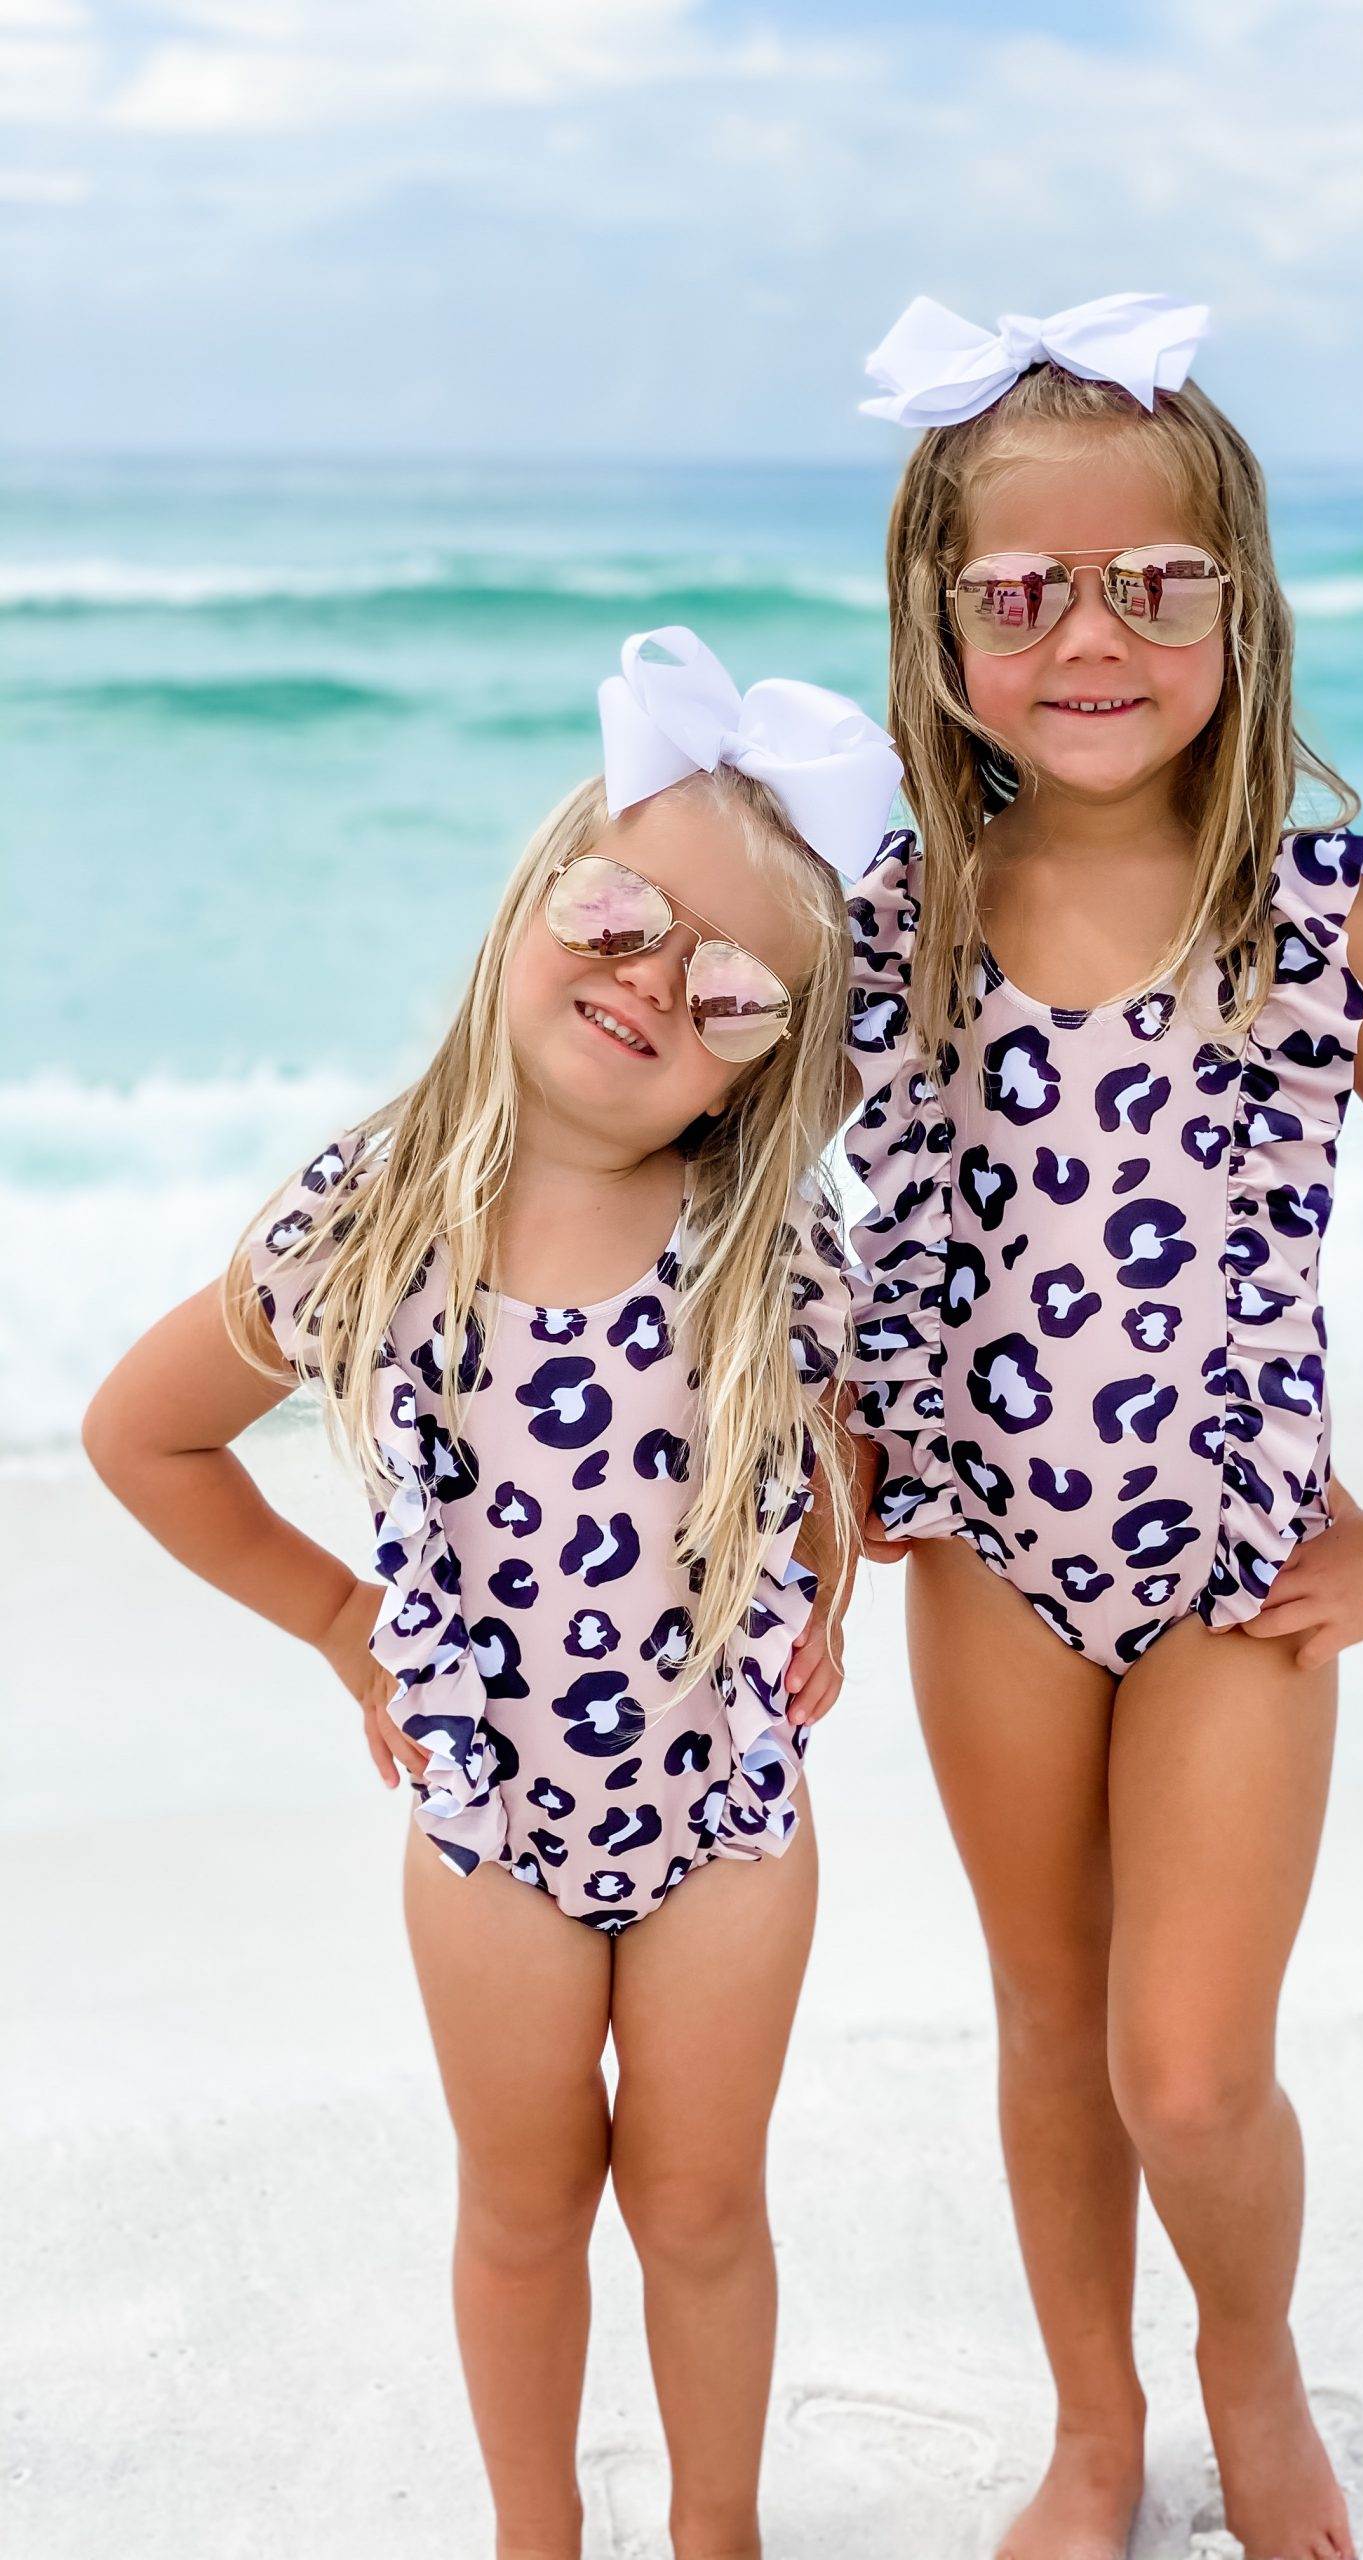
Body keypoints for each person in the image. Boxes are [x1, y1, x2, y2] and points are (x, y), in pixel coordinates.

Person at [844, 293, 1363, 2560]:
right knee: (1052, 2026)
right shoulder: (894, 914)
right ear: (937, 620)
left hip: (1236, 1568)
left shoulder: (1319, 913)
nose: (1089, 632)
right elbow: (761, 1201)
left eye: (1152, 582)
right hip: (985, 1560)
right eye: (1022, 589)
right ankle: (1094, 2428)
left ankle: (1247, 2370)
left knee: (1189, 2062)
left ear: (1235, 607)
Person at [82, 625, 901, 2560]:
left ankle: (718, 2532)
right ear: (533, 901)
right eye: (614, 915)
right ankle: (538, 2538)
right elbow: (145, 1437)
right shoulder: (371, 1214)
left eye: (728, 992)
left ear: (754, 1074)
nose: (647, 986)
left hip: (721, 1808)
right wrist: (339, 1622)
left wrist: (828, 1601)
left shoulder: (772, 1248)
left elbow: (846, 1436)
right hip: (485, 1825)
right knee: (524, 2208)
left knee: (702, 2208)